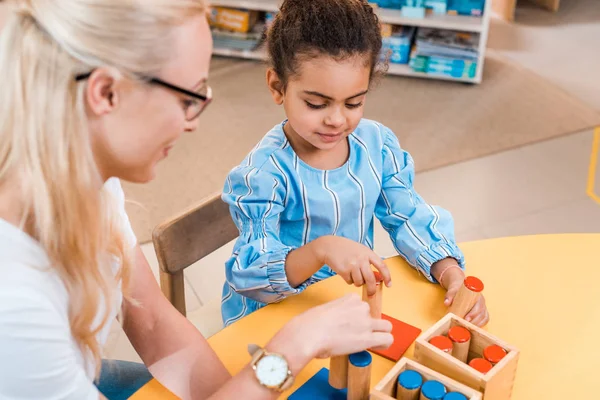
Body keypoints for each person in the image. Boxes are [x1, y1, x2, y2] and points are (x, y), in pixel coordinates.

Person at [0, 1, 392, 399]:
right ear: (105, 92)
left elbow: (152, 320)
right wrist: (290, 350)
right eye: (188, 97)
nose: (194, 122)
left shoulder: (85, 178)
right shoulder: (14, 307)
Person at [222, 0, 489, 328]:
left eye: (354, 103)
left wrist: (451, 273)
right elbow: (249, 274)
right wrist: (321, 250)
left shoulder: (376, 144)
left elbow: (408, 216)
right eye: (316, 104)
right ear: (278, 87)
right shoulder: (262, 176)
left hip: (347, 303)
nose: (336, 119)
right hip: (278, 318)